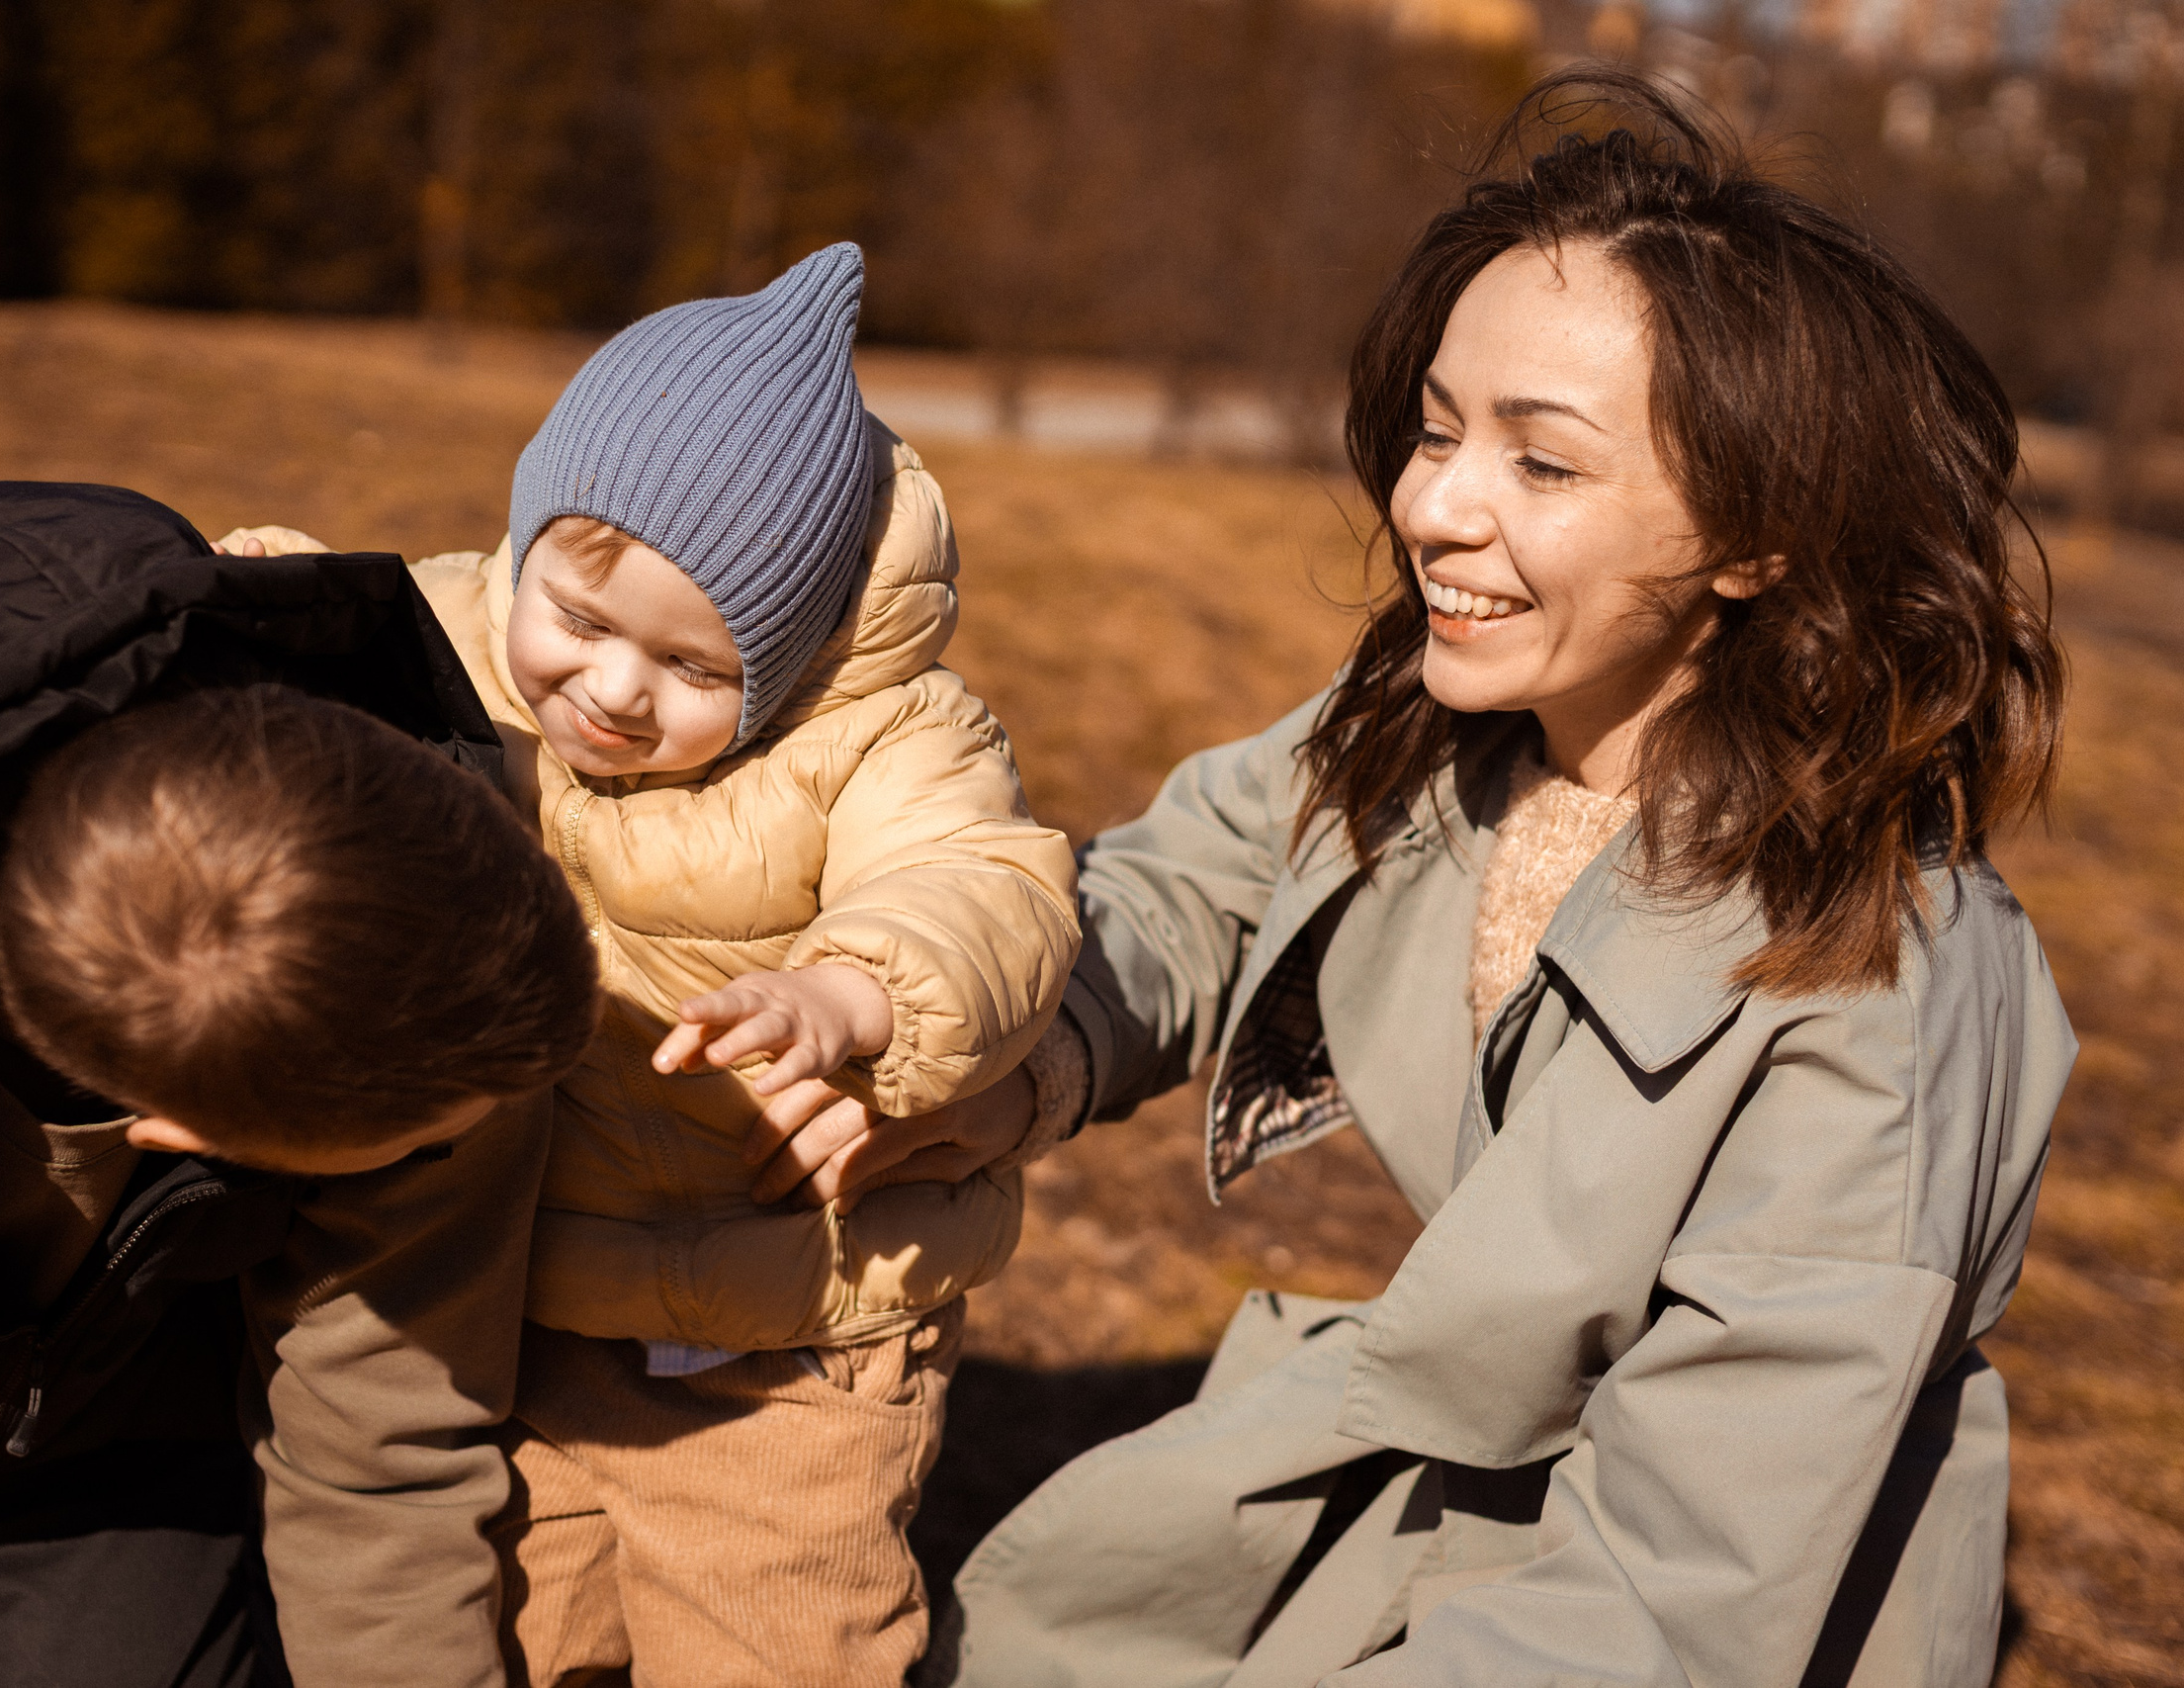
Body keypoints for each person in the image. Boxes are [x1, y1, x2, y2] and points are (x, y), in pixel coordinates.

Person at [766, 73, 2070, 1685]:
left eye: (1545, 464)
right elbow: (1197, 883)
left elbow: (1690, 1585)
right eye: (1442, 430)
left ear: (1759, 533)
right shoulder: (1450, 733)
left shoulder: (1878, 975)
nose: (1433, 507)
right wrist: (987, 1051)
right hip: (1438, 1511)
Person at [253, 242, 1084, 1685]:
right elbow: (292, 618)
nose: (613, 688)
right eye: (577, 621)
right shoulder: (460, 634)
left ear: (793, 654)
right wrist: (211, 601)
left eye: (698, 669)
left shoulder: (891, 733)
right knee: (529, 1630)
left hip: (798, 1349)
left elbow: (985, 885)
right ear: (528, 545)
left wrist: (855, 992)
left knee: (775, 1644)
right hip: (548, 1314)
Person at [0, 482, 597, 1687]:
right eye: (414, 1150)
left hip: (74, 1460)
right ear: (180, 1134)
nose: (446, 1153)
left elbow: (382, 1441)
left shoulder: (439, 987)